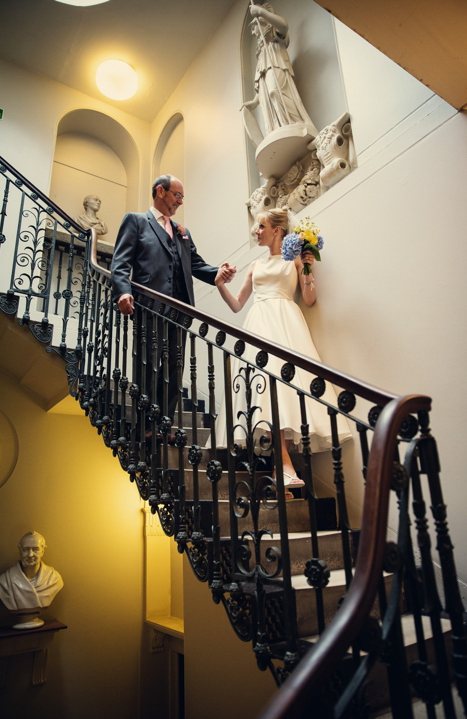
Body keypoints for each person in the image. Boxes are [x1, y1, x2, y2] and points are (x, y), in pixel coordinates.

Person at [214, 208, 350, 490]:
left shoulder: (296, 260)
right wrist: (218, 284)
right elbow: (238, 304)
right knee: (266, 388)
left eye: (261, 226)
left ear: (277, 230)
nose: (256, 231)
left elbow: (309, 299)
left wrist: (309, 268)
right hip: (259, 324)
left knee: (286, 391)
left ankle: (282, 466)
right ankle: (283, 464)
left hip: (287, 323)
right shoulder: (255, 266)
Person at [110, 175, 236, 427]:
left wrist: (218, 273)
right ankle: (145, 426)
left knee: (174, 370)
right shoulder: (136, 221)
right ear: (160, 191)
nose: (180, 201)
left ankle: (164, 422)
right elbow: (120, 262)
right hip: (149, 308)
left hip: (179, 311)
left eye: (182, 197)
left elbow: (196, 265)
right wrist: (124, 292)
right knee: (149, 367)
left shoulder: (182, 232)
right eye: (177, 195)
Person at [241, 1, 316, 145]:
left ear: (262, 23)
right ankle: (277, 129)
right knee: (267, 99)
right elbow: (261, 83)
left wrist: (261, 12)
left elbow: (284, 25)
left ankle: (293, 123)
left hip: (277, 67)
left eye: (254, 27)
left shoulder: (275, 37)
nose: (252, 31)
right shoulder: (261, 52)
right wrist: (255, 101)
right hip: (268, 77)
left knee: (275, 92)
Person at [0, 532, 63, 612]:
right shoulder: (5, 582)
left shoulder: (54, 579)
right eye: (25, 550)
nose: (30, 555)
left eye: (35, 549)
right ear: (20, 550)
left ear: (43, 550)